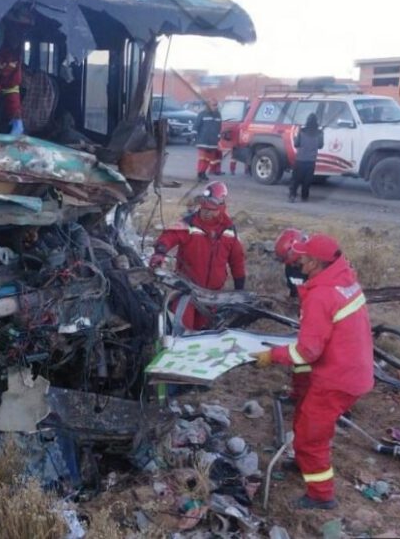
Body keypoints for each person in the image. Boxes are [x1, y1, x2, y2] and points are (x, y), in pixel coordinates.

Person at [251, 234, 374, 510]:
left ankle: (321, 494)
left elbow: (307, 352)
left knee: (310, 436)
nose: (299, 262)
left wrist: (272, 355)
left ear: (317, 263)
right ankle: (303, 462)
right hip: (349, 369)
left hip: (337, 378)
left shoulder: (321, 295)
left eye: (304, 258)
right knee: (306, 417)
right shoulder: (344, 279)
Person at [150, 181, 246, 331]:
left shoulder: (229, 231)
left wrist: (240, 288)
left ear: (221, 207)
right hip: (186, 292)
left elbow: (237, 260)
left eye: (211, 209)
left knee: (204, 335)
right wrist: (159, 253)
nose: (206, 212)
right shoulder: (188, 224)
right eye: (204, 207)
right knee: (181, 332)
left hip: (213, 296)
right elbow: (168, 236)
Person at [274, 228, 311, 402]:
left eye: (296, 261)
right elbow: (295, 291)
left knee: (327, 365)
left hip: (327, 320)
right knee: (302, 362)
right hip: (309, 318)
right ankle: (298, 394)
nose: (294, 266)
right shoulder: (291, 268)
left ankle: (340, 410)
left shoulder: (322, 265)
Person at [290, 113, 323, 203]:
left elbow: (296, 144)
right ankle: (304, 197)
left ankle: (292, 195)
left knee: (296, 179)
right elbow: (320, 146)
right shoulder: (319, 133)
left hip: (300, 159)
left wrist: (296, 136)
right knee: (307, 181)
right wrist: (321, 133)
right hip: (311, 161)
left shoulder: (302, 131)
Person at [194, 99, 223, 181]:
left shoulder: (218, 115)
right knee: (202, 158)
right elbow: (196, 126)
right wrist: (194, 137)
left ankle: (203, 173)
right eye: (213, 105)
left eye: (216, 105)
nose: (215, 106)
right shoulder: (202, 114)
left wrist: (218, 139)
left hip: (213, 142)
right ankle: (199, 173)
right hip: (203, 141)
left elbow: (219, 128)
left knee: (208, 159)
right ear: (208, 105)